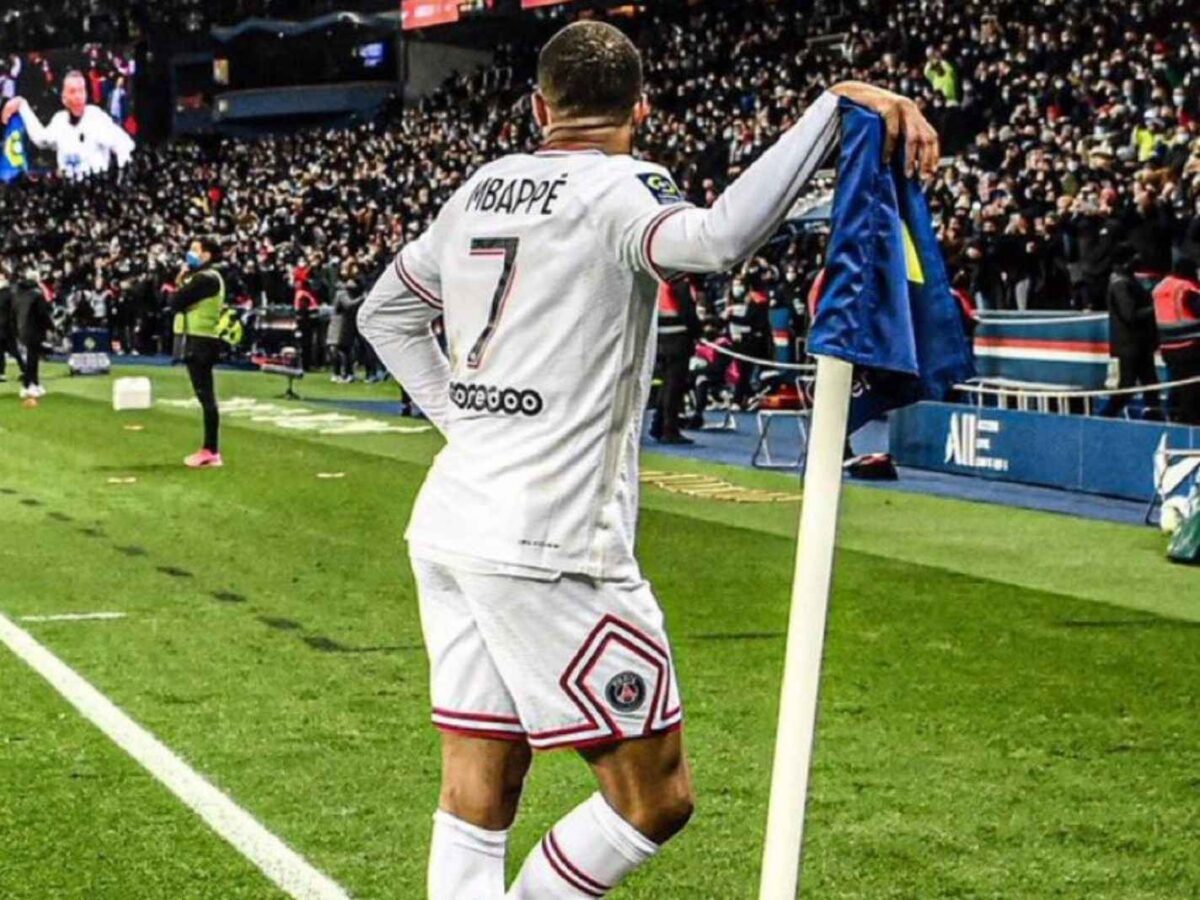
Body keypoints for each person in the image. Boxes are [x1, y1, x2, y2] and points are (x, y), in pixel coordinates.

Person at [358, 20, 938, 900]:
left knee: (481, 786)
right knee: (654, 798)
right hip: (552, 545)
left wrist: (462, 422)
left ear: (538, 106)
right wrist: (828, 113)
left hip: (451, 522)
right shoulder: (624, 189)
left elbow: (384, 315)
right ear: (641, 106)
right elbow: (712, 242)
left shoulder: (478, 188)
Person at [1, 70, 134, 180]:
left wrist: (121, 176)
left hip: (95, 192)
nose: (78, 96)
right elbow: (41, 139)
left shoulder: (96, 117)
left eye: (81, 91)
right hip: (70, 193)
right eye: (72, 91)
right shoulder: (60, 120)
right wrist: (21, 105)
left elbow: (124, 144)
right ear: (64, 98)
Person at [171, 237, 226, 468]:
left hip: (201, 341)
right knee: (205, 396)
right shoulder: (204, 278)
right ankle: (210, 449)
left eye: (195, 250)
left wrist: (182, 281)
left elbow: (176, 300)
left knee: (206, 397)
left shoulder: (207, 278)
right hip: (200, 339)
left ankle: (210, 449)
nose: (190, 254)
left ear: (206, 255)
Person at [1100, 246, 1160, 418]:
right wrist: (1155, 308)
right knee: (1126, 388)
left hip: (1140, 344)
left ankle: (1153, 416)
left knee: (1151, 385)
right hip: (1128, 347)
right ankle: (1106, 417)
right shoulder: (1120, 284)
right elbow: (1130, 315)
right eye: (1134, 257)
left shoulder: (1129, 280)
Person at [649, 277, 700, 444]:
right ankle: (669, 430)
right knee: (674, 387)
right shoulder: (681, 284)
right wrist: (698, 333)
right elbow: (687, 313)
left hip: (662, 340)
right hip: (678, 341)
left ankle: (658, 425)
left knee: (666, 386)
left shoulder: (659, 283)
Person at [1152, 257, 1200, 424]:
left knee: (1177, 385)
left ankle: (1175, 416)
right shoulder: (1186, 288)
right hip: (1189, 347)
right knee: (1191, 389)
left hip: (1167, 347)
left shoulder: (1160, 287)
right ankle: (1190, 422)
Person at [11, 264, 49, 400]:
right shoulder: (37, 294)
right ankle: (27, 385)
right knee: (33, 359)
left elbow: (14, 312)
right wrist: (51, 327)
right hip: (34, 330)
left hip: (22, 329)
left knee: (32, 357)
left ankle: (35, 384)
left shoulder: (18, 293)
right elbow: (43, 314)